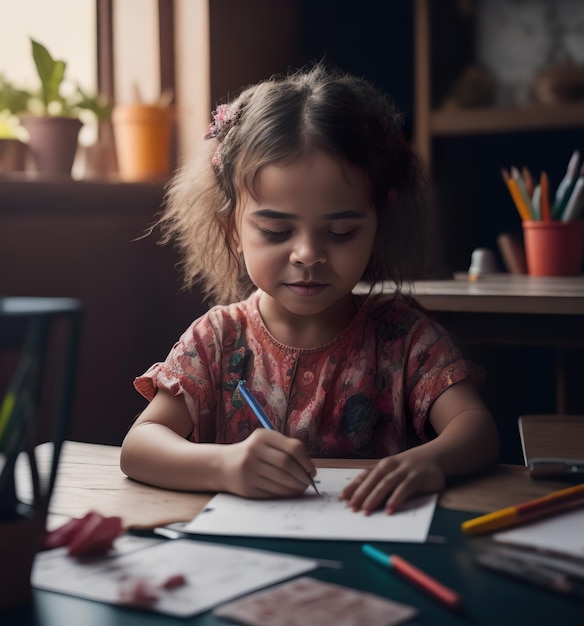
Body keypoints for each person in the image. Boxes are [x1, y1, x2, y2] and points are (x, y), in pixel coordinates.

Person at [120, 64, 499, 515]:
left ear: (379, 224)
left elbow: (476, 429)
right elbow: (139, 446)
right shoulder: (216, 340)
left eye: (340, 233)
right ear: (233, 229)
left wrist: (429, 462)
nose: (308, 255)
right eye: (276, 232)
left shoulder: (403, 338)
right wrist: (223, 466)